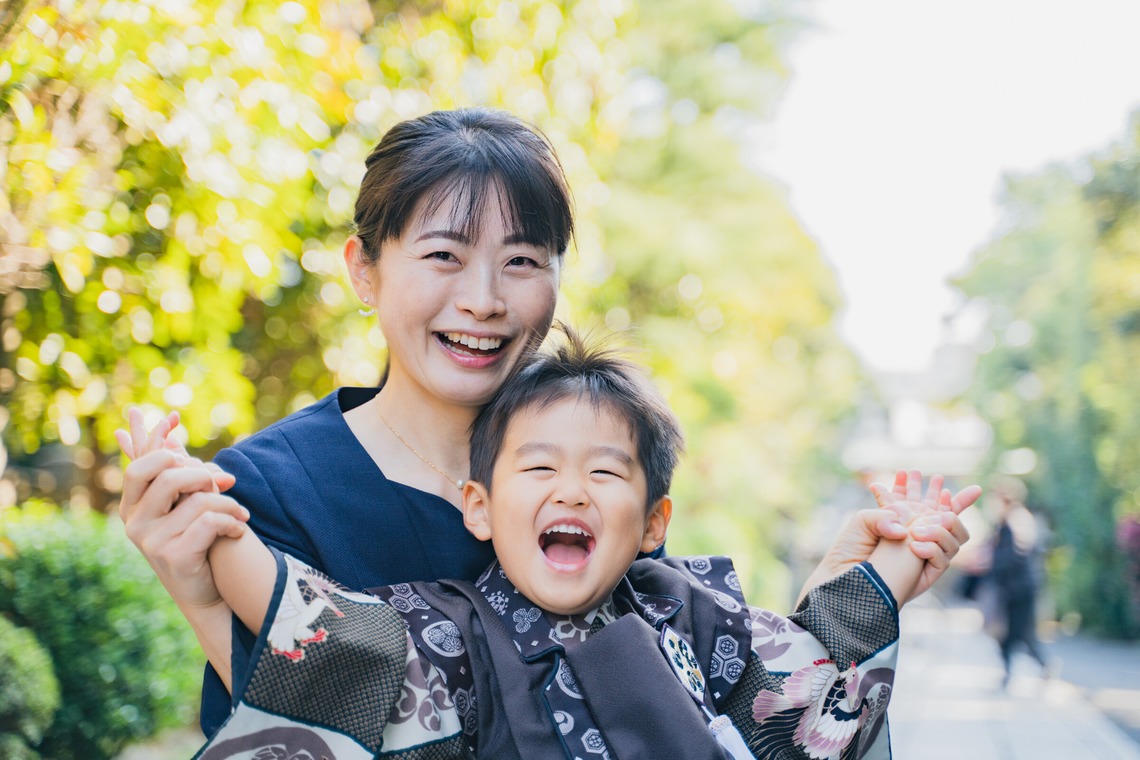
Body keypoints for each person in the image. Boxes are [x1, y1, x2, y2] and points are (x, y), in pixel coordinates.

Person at [116, 107, 971, 736]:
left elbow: (690, 698)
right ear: (366, 271)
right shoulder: (270, 487)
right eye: (444, 255)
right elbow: (313, 712)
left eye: (522, 261)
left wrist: (839, 595)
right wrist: (200, 591)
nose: (484, 300)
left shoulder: (595, 467)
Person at [121, 330, 981, 759]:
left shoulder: (694, 614)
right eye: (537, 468)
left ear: (654, 524)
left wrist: (898, 562)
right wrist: (208, 521)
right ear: (480, 507)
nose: (570, 489)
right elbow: (332, 637)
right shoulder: (444, 625)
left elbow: (804, 693)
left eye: (605, 474)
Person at [988, 476, 1050, 688]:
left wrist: (994, 563)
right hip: (1012, 587)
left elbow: (1020, 552)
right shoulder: (1006, 520)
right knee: (1017, 632)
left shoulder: (1018, 518)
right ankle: (1018, 670)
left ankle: (1024, 669)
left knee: (1019, 632)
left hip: (1020, 587)